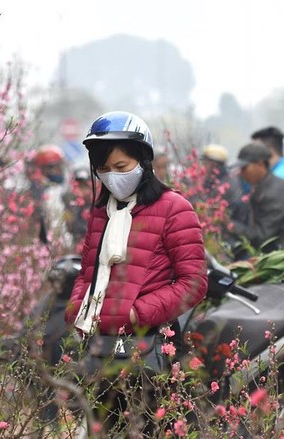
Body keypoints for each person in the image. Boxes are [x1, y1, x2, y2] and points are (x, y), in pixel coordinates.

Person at [64, 110, 208, 430]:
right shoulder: (102, 211)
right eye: (103, 169)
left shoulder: (173, 207)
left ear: (144, 161)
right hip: (101, 347)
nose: (112, 176)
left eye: (121, 167)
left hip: (152, 348)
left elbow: (194, 281)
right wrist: (78, 308)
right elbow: (87, 270)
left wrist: (136, 314)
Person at [228, 142, 284, 255]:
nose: (241, 173)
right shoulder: (265, 187)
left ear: (260, 164)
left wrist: (230, 225)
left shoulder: (274, 193)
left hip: (282, 260)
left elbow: (262, 237)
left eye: (245, 168)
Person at [26, 144, 72, 249]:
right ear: (46, 170)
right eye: (57, 168)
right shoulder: (41, 194)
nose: (61, 172)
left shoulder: (57, 190)